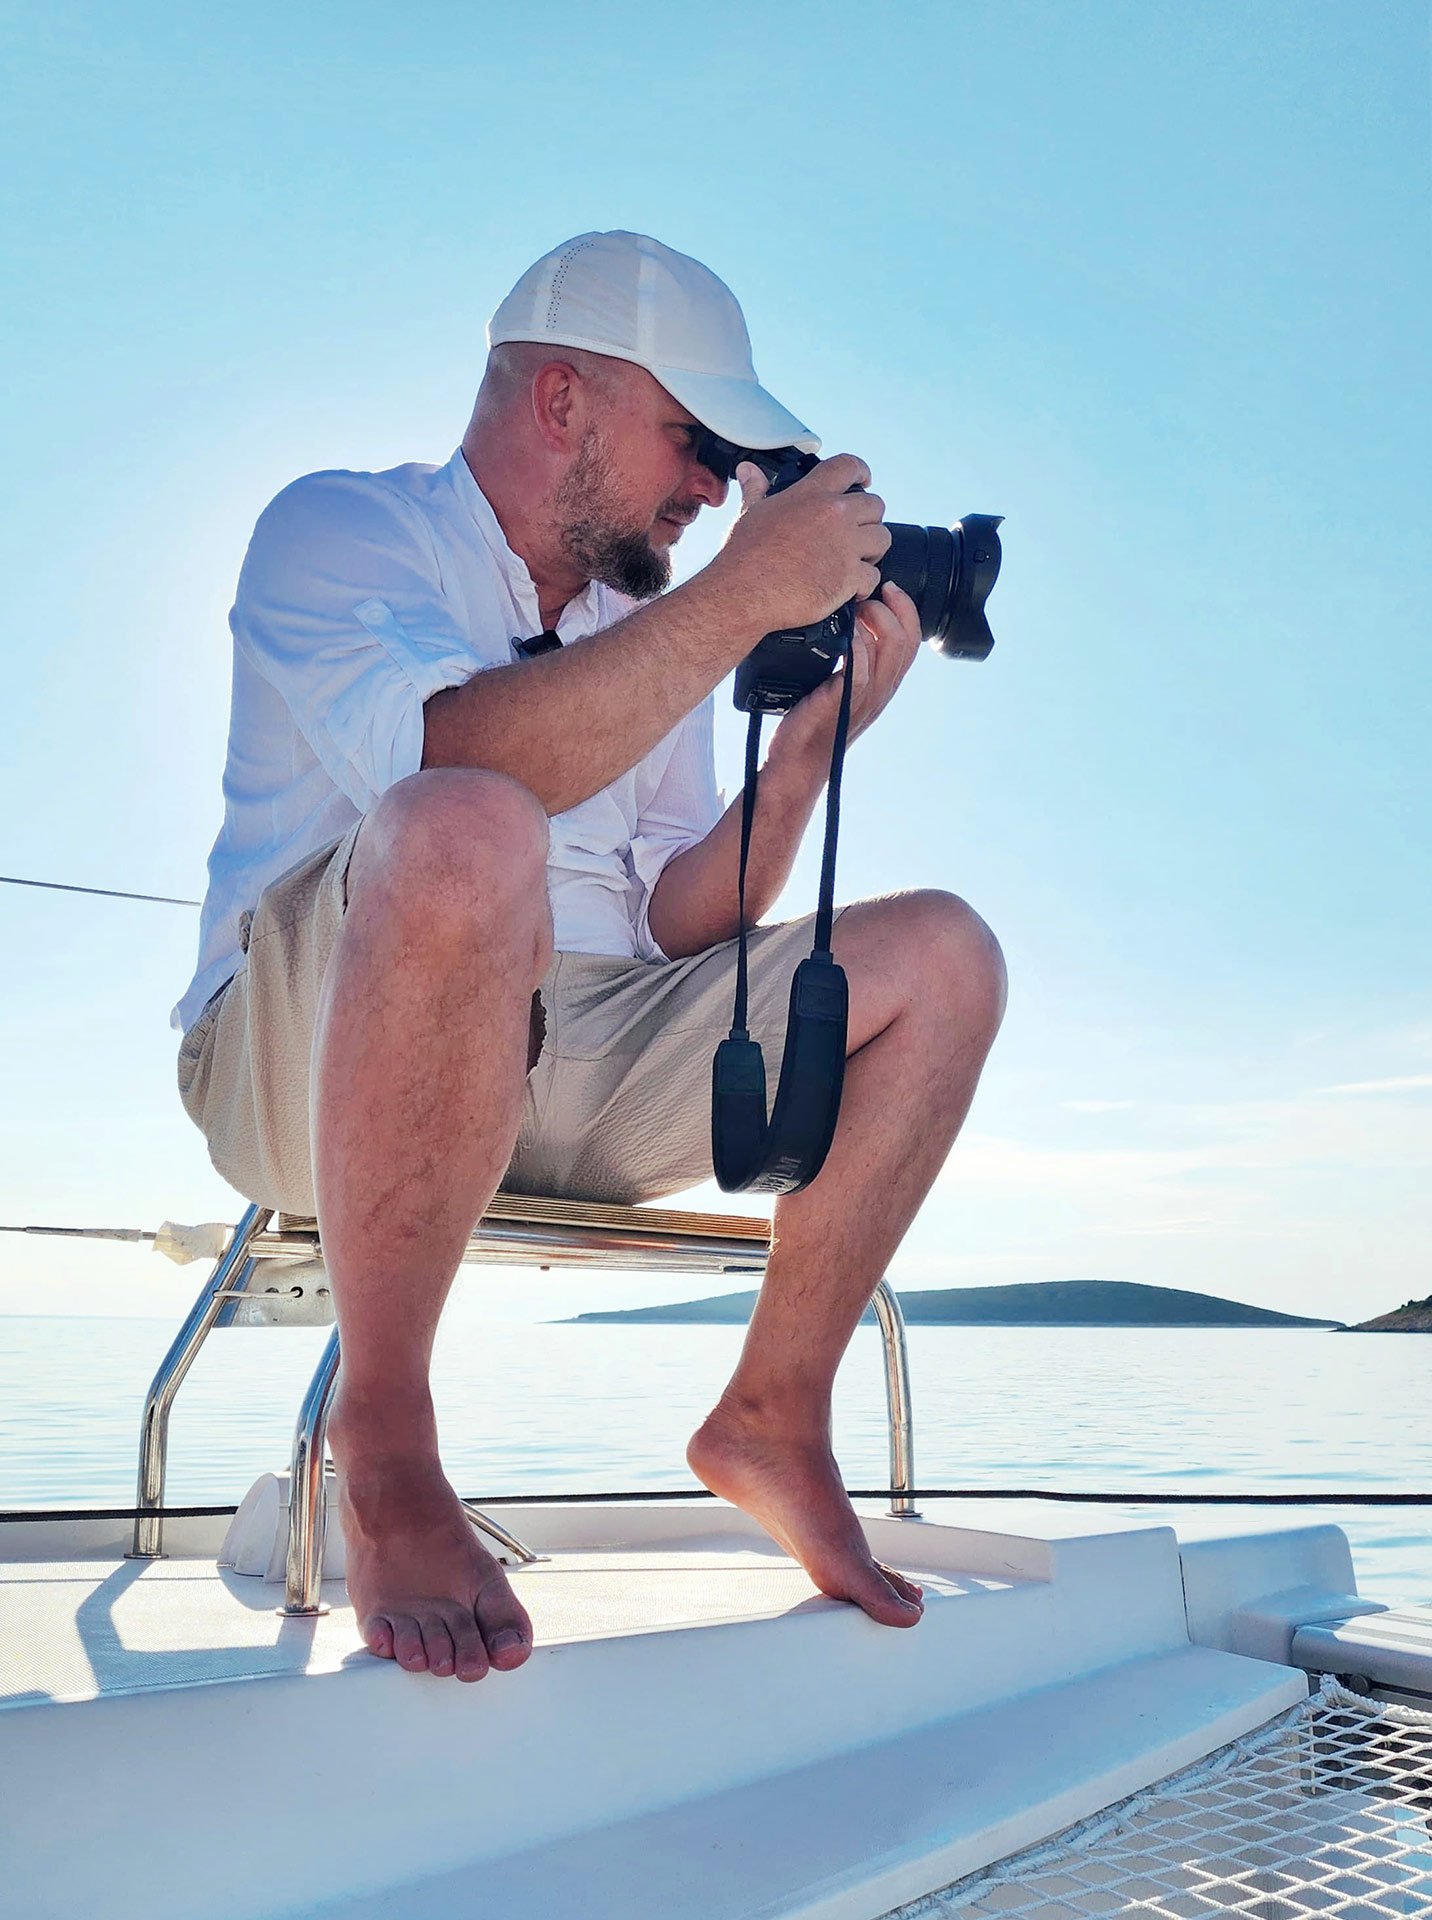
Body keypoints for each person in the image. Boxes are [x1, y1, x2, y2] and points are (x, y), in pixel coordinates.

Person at [174, 230, 1007, 1684]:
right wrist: (738, 604)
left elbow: (682, 922)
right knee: (465, 825)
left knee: (949, 955)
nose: (714, 489)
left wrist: (812, 744)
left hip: (582, 1049)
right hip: (305, 1058)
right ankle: (385, 1436)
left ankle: (772, 1414)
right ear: (563, 400)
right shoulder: (342, 528)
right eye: (697, 442)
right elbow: (454, 762)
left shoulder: (656, 627)